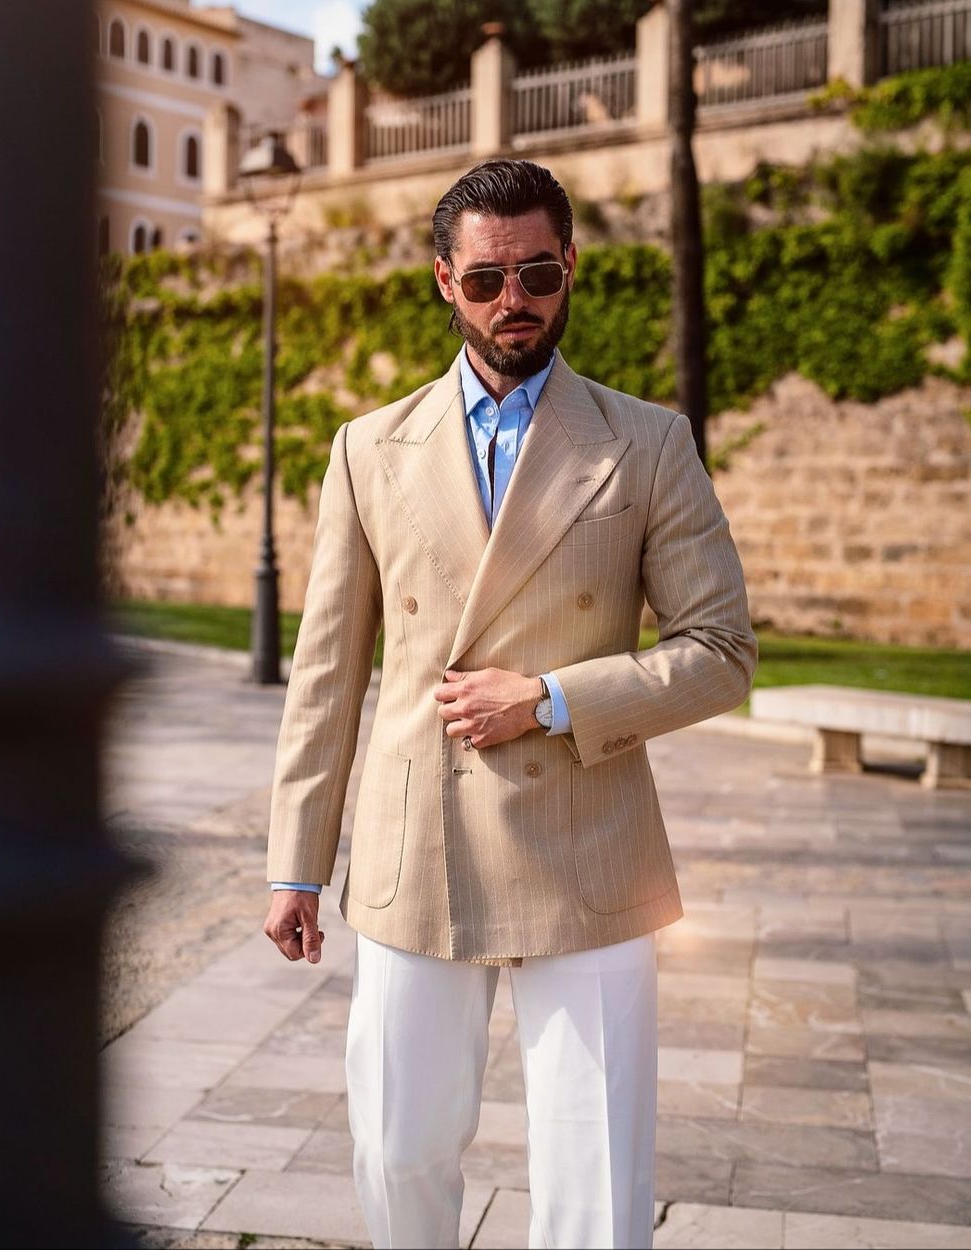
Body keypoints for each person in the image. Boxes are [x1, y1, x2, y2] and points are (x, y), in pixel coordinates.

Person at [264, 158, 756, 1250]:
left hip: (585, 836)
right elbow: (329, 672)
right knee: (396, 1143)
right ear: (444, 280)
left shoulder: (648, 441)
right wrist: (296, 862)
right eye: (486, 278)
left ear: (571, 265)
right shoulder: (367, 447)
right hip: (413, 842)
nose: (513, 299)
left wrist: (546, 697)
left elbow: (722, 651)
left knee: (596, 1161)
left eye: (537, 270)